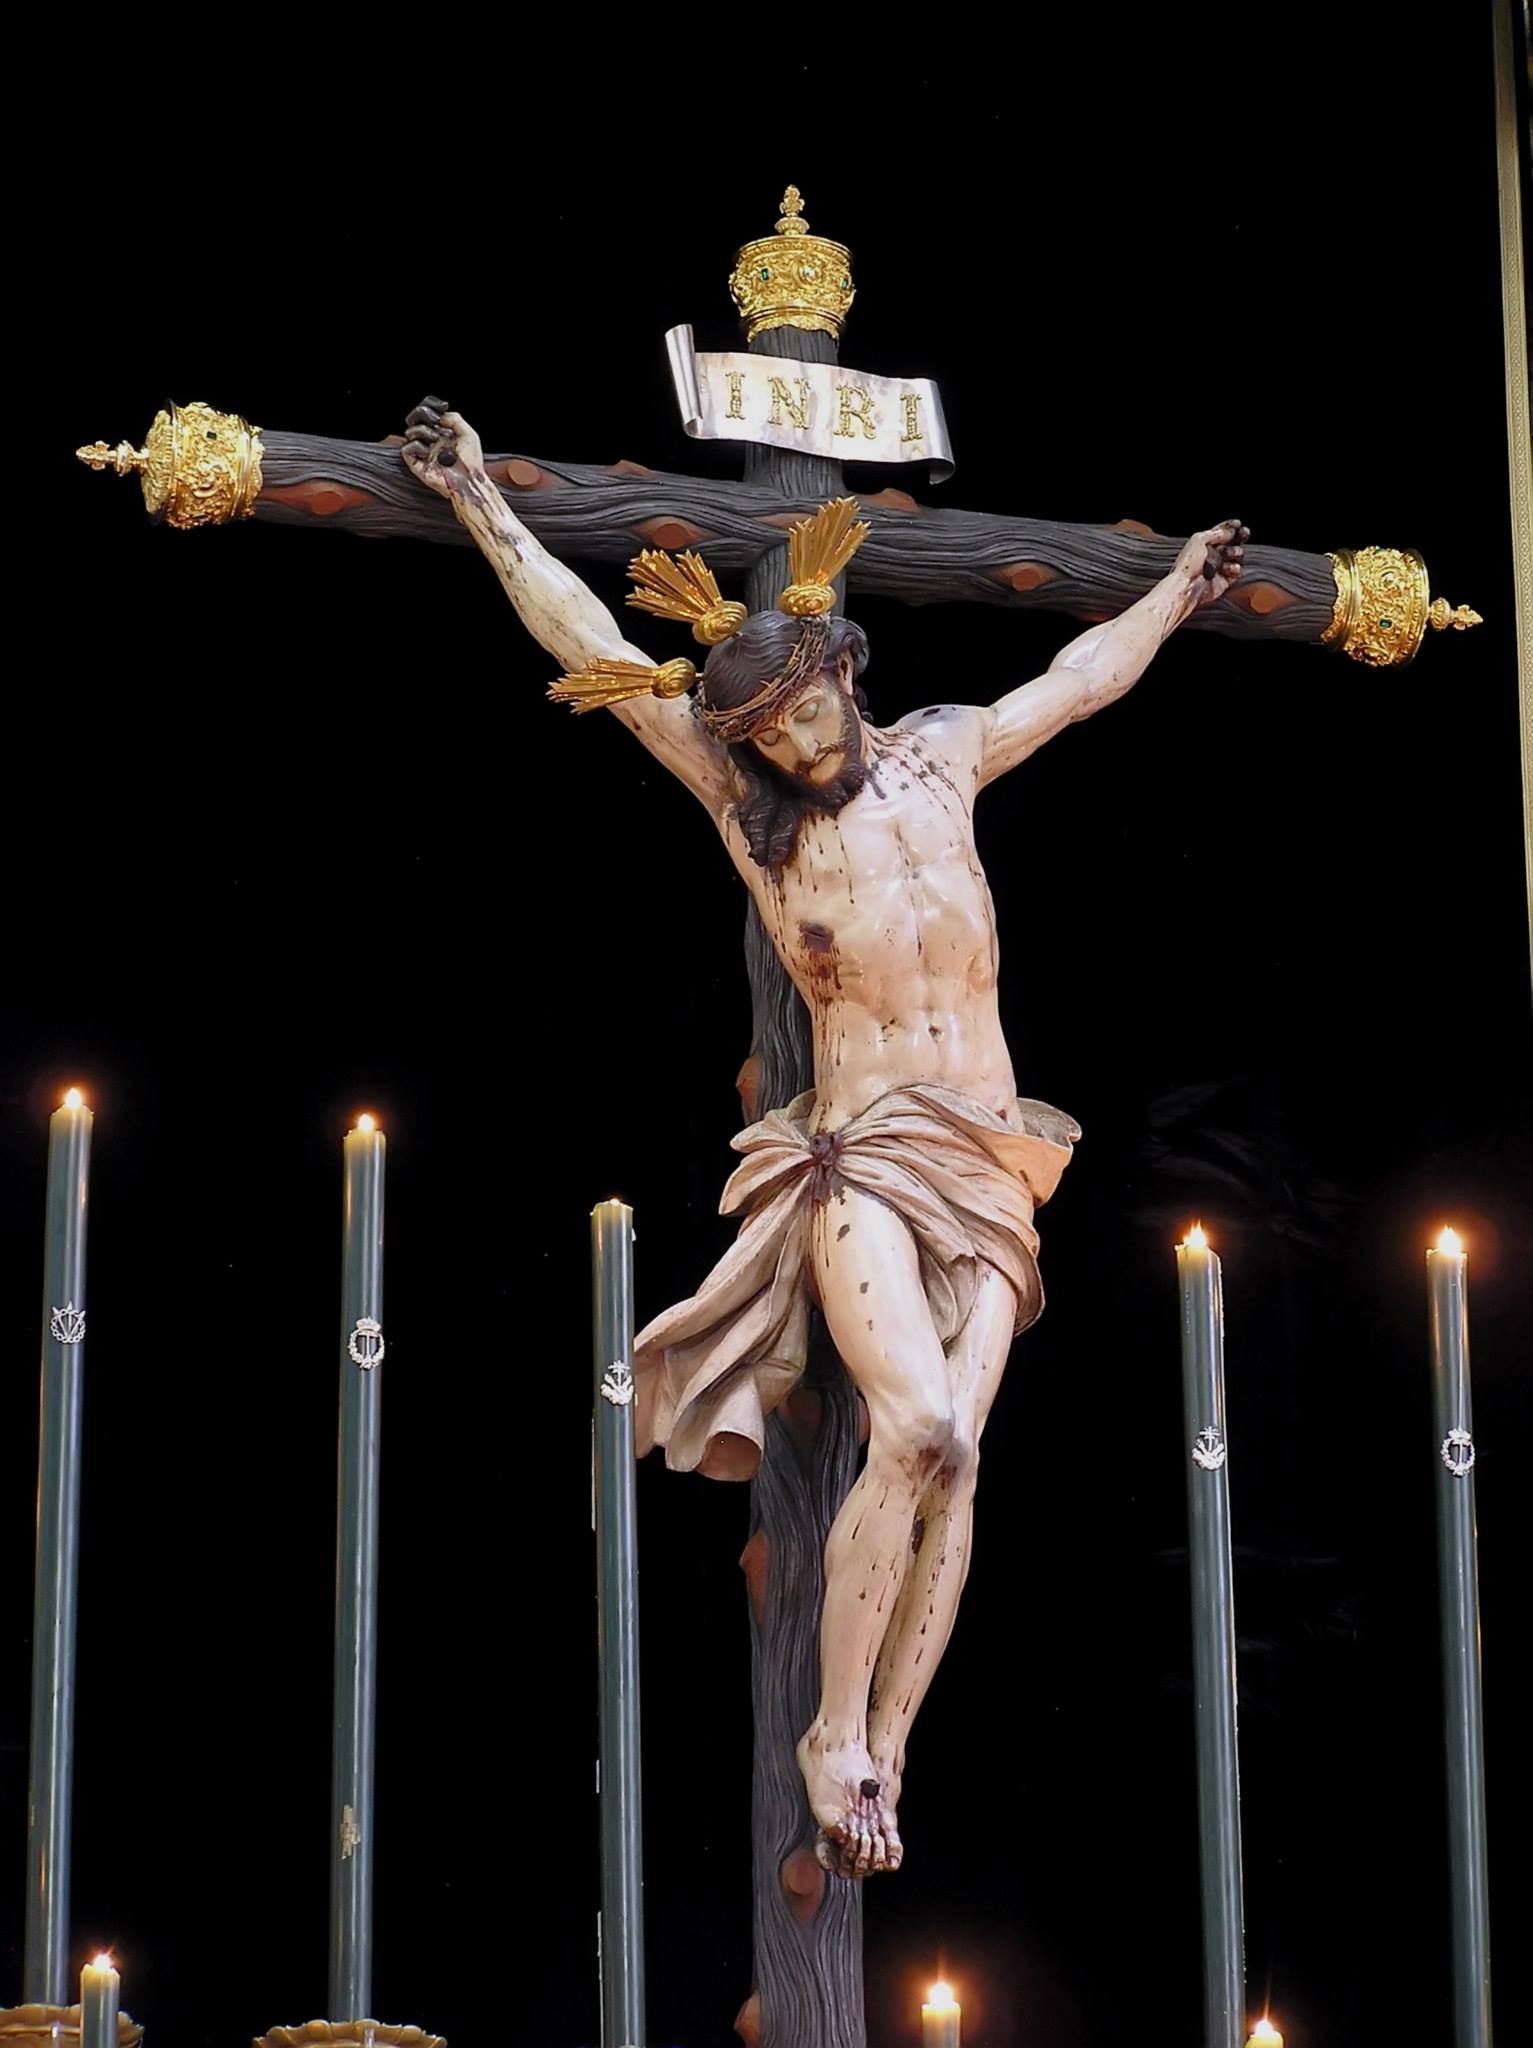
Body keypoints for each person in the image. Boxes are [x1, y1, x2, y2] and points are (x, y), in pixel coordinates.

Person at [401, 396, 1247, 1877]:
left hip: (988, 1156)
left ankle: (886, 1749)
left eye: (803, 715)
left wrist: (1175, 589)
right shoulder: (749, 813)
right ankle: (828, 1729)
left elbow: (1079, 677)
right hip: (856, 1155)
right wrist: (481, 500)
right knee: (913, 1427)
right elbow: (579, 634)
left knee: (958, 1459)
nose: (795, 748)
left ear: (842, 674)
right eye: (766, 736)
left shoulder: (943, 754)